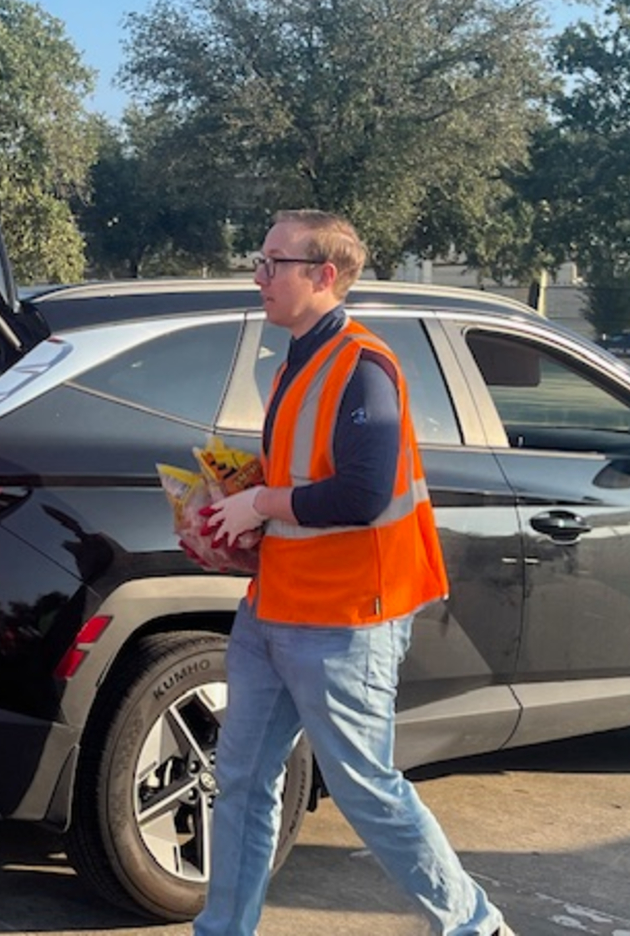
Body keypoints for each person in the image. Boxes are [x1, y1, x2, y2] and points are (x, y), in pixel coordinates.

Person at [194, 210, 512, 936]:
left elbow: (364, 496)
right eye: (261, 260)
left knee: (367, 791)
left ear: (324, 276)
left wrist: (262, 500)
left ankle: (475, 926)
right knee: (241, 783)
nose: (259, 276)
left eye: (275, 263)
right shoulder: (297, 362)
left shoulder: (364, 366)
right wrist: (233, 511)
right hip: (274, 608)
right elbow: (306, 479)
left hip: (345, 622)